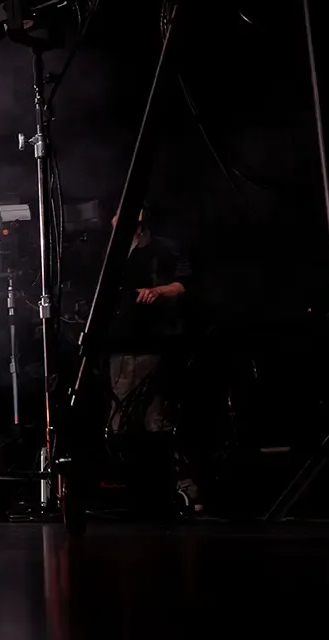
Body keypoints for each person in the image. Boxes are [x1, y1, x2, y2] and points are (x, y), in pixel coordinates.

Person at [102, 209, 199, 514]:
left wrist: (158, 291)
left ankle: (184, 490)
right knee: (118, 421)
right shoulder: (109, 252)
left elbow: (184, 285)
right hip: (119, 344)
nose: (116, 220)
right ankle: (130, 491)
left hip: (152, 342)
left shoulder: (162, 249)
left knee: (155, 419)